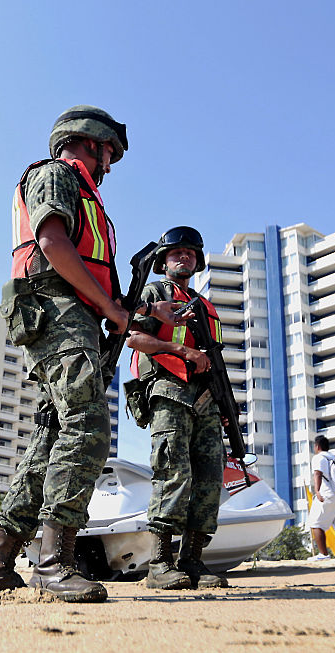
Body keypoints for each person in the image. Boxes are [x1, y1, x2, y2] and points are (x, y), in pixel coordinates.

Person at [0, 106, 187, 603]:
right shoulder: (54, 176)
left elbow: (106, 297)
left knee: (52, 435)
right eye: (108, 152)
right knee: (87, 424)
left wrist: (144, 318)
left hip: (74, 315)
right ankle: (53, 563)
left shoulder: (87, 197)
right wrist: (110, 306)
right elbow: (52, 242)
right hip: (56, 309)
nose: (109, 164)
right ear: (86, 141)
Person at [124, 226, 229, 590]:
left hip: (206, 400)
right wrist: (182, 351)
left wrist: (225, 407)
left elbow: (214, 360)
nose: (184, 256)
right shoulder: (154, 294)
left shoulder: (205, 305)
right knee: (173, 472)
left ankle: (193, 560)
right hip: (169, 391)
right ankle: (160, 563)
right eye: (176, 252)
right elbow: (133, 337)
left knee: (210, 479)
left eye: (190, 253)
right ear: (163, 260)